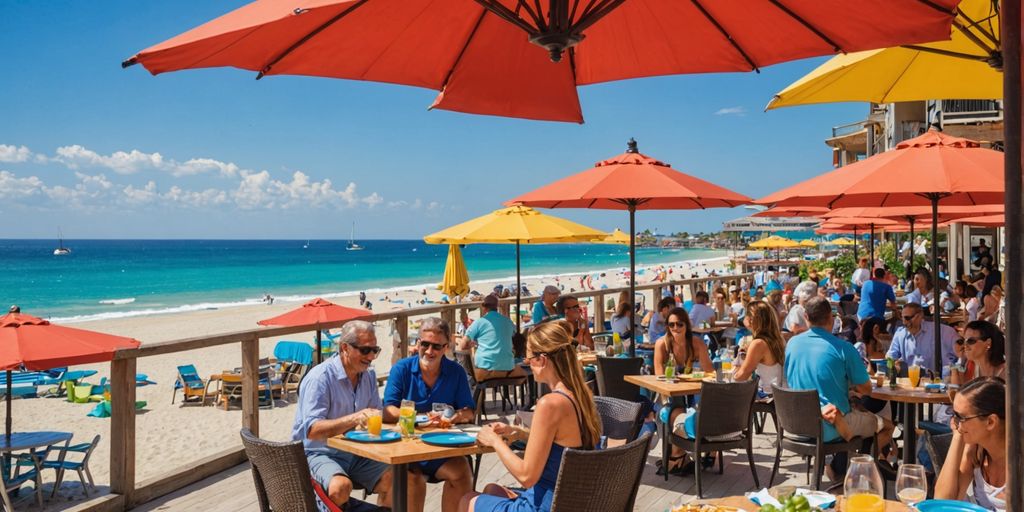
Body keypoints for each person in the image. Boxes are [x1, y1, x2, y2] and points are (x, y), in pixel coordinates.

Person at [460, 321, 600, 512]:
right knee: (492, 490)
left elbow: (526, 476)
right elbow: (564, 442)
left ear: (542, 360)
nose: (528, 365)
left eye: (529, 360)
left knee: (467, 500)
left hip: (547, 504)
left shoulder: (550, 404)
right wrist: (519, 433)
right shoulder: (580, 396)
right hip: (572, 501)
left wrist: (495, 441)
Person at [292, 321, 425, 510]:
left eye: (375, 350)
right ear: (345, 348)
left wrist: (408, 419)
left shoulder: (368, 375)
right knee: (340, 488)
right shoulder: (320, 378)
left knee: (409, 480)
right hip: (319, 452)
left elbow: (374, 414)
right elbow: (312, 430)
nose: (371, 356)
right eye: (365, 350)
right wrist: (355, 418)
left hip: (356, 452)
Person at [384, 318, 474, 512]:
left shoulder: (456, 372)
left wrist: (455, 416)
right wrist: (420, 417)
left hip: (440, 447)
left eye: (436, 346)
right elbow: (388, 410)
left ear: (446, 347)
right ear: (417, 344)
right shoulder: (402, 369)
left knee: (462, 470)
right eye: (425, 344)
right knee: (414, 481)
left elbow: (469, 411)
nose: (429, 351)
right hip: (405, 449)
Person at [783, 297, 879, 455]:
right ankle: (859, 471)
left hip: (796, 424)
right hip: (828, 427)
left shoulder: (792, 344)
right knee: (880, 424)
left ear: (806, 317)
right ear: (831, 318)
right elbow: (867, 389)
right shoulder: (843, 348)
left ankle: (837, 467)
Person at [653, 307, 714, 474]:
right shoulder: (662, 344)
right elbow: (658, 375)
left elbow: (710, 371)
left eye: (679, 324)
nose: (675, 328)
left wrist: (692, 375)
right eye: (671, 325)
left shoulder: (696, 343)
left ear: (686, 325)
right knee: (675, 408)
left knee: (703, 407)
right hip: (668, 391)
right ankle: (678, 453)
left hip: (690, 391)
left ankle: (680, 453)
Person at [934, 377, 1007, 511]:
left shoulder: (1018, 462)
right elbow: (943, 502)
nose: (954, 422)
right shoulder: (976, 451)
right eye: (954, 415)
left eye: (961, 417)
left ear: (991, 422)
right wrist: (958, 435)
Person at [464, 294, 526, 382]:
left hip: (485, 369)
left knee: (469, 377)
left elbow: (463, 344)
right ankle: (512, 394)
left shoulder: (480, 322)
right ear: (497, 306)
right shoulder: (507, 321)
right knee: (524, 373)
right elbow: (516, 337)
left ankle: (480, 395)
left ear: (483, 307)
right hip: (508, 368)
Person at [886, 303, 958, 376]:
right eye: (902, 318)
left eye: (907, 318)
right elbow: (891, 356)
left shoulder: (943, 331)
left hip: (938, 382)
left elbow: (960, 357)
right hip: (911, 381)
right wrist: (893, 365)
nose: (904, 322)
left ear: (919, 316)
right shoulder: (900, 334)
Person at [732, 301, 786, 396]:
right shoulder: (778, 339)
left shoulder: (758, 343)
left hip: (765, 398)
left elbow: (740, 377)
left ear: (750, 320)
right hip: (778, 396)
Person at [950, 321, 1006, 386]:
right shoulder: (971, 365)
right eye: (962, 341)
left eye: (971, 341)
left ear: (988, 343)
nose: (965, 345)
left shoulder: (1006, 373)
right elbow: (959, 390)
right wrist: (961, 359)